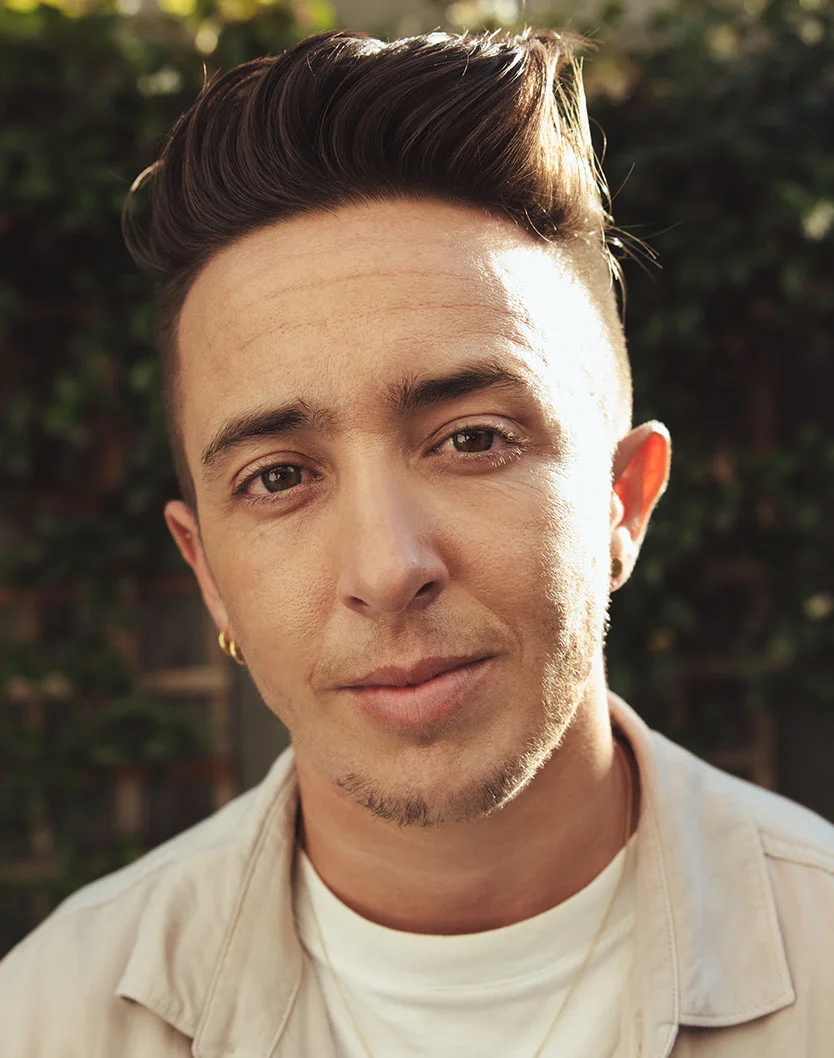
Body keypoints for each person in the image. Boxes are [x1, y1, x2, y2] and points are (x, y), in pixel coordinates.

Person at [1, 27, 833, 1058]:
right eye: (278, 476)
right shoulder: (49, 1019)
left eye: (472, 439)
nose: (389, 569)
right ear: (208, 573)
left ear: (622, 498)